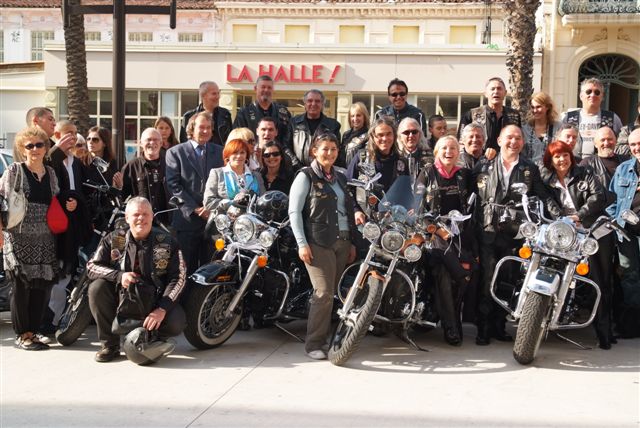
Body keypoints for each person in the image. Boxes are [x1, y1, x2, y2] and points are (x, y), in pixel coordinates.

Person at [473, 125, 560, 346]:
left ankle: (499, 325)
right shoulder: (484, 164)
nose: (514, 142)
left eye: (518, 138)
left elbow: (543, 195)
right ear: (499, 140)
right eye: (509, 137)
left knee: (508, 278)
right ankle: (483, 328)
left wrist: (561, 217)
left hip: (515, 232)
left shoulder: (529, 167)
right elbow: (467, 191)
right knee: (487, 279)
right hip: (487, 230)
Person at [86, 197, 187, 362]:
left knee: (177, 322)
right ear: (127, 218)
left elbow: (179, 278)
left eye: (145, 214)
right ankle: (110, 345)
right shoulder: (114, 238)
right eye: (136, 214)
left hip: (154, 300)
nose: (141, 218)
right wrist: (119, 276)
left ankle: (152, 338)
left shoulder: (167, 242)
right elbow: (92, 266)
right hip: (122, 298)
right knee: (96, 288)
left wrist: (162, 309)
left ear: (152, 216)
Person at [288, 133, 356, 359]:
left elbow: (347, 210)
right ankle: (314, 344)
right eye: (325, 149)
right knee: (324, 292)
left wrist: (351, 242)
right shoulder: (305, 176)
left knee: (332, 293)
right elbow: (294, 212)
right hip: (318, 242)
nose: (330, 153)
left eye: (333, 149)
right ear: (314, 151)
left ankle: (326, 337)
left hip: (342, 241)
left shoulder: (341, 177)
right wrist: (301, 243)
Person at [540, 141, 613, 349]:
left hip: (594, 231)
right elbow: (547, 201)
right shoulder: (546, 180)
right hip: (565, 232)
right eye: (557, 156)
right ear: (550, 161)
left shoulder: (584, 173)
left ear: (571, 157)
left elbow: (598, 196)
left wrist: (578, 216)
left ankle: (604, 332)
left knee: (600, 280)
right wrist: (562, 220)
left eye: (565, 155)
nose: (562, 159)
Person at [0, 127, 60, 350]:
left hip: (45, 239)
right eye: (30, 145)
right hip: (17, 237)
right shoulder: (14, 170)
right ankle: (22, 334)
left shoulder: (51, 173)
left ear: (46, 148)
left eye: (39, 145)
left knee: (40, 287)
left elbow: (55, 201)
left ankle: (33, 332)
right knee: (20, 286)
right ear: (22, 149)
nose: (35, 149)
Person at [415, 136, 476, 345]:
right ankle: (452, 327)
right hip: (433, 236)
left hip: (458, 237)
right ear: (436, 152)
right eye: (444, 148)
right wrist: (436, 229)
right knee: (444, 272)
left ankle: (449, 321)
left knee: (452, 271)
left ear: (458, 152)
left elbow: (474, 207)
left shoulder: (464, 175)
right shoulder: (426, 173)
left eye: (452, 148)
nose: (448, 152)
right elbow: (417, 208)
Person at [166, 112, 223, 274]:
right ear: (191, 129)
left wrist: (212, 209)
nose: (205, 131)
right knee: (185, 270)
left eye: (208, 128)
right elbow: (174, 186)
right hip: (187, 222)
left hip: (213, 222)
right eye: (201, 127)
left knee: (211, 270)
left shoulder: (220, 151)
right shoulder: (175, 152)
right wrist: (196, 209)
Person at [607, 128, 640, 338]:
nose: (637, 148)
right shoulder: (623, 169)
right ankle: (632, 326)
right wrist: (614, 222)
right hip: (626, 234)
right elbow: (611, 201)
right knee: (629, 278)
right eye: (633, 145)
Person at [347, 116, 409, 225]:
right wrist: (356, 210)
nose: (384, 138)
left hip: (394, 222)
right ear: (373, 137)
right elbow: (347, 187)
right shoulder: (361, 158)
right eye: (380, 135)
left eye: (388, 134)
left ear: (394, 136)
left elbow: (407, 193)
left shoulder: (401, 162)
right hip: (365, 221)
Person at [561, 77, 623, 159]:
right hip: (573, 163)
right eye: (588, 92)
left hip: (601, 164)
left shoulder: (612, 118)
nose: (592, 95)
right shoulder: (568, 118)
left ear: (602, 96)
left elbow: (620, 144)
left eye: (597, 92)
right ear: (581, 95)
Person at [458, 77, 521, 153]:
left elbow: (520, 139)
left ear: (505, 93)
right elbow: (461, 142)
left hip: (506, 157)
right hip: (479, 158)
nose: (496, 91)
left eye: (499, 89)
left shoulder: (514, 115)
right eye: (492, 89)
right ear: (486, 93)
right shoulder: (471, 114)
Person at [203, 139, 265, 213]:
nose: (239, 156)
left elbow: (263, 201)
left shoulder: (256, 176)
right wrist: (232, 202)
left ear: (246, 155)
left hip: (251, 218)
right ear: (228, 155)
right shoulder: (217, 173)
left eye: (242, 152)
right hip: (226, 218)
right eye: (235, 153)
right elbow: (208, 202)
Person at [121, 128, 169, 222]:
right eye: (148, 139)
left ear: (161, 143)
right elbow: (122, 195)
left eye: (155, 140)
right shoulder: (131, 166)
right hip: (141, 222)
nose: (152, 142)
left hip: (167, 222)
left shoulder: (170, 164)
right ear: (141, 143)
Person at [287, 89, 341, 168]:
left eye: (317, 101)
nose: (313, 104)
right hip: (297, 170)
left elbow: (337, 150)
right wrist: (297, 166)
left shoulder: (333, 125)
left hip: (324, 170)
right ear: (305, 104)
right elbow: (286, 147)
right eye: (310, 101)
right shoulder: (293, 123)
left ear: (322, 104)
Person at [234, 75, 293, 146]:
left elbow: (289, 138)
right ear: (255, 89)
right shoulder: (244, 113)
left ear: (273, 90)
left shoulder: (283, 112)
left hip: (277, 152)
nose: (266, 90)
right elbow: (238, 140)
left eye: (269, 87)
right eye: (263, 87)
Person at [180, 81, 232, 146]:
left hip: (221, 152)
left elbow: (230, 139)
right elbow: (184, 142)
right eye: (214, 94)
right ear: (203, 96)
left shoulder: (225, 115)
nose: (218, 97)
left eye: (218, 93)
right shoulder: (189, 116)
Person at [522, 91, 562, 167]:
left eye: (538, 107)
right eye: (532, 107)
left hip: (551, 170)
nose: (535, 110)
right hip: (530, 170)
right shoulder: (525, 129)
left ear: (547, 107)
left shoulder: (558, 127)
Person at [397, 117, 434, 182]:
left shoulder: (431, 156)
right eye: (406, 132)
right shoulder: (394, 156)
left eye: (414, 132)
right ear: (400, 137)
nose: (411, 135)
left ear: (419, 135)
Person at [341, 102, 370, 168]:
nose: (355, 119)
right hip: (343, 171)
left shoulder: (369, 135)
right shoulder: (346, 135)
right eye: (352, 116)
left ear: (364, 117)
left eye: (358, 115)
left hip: (359, 171)